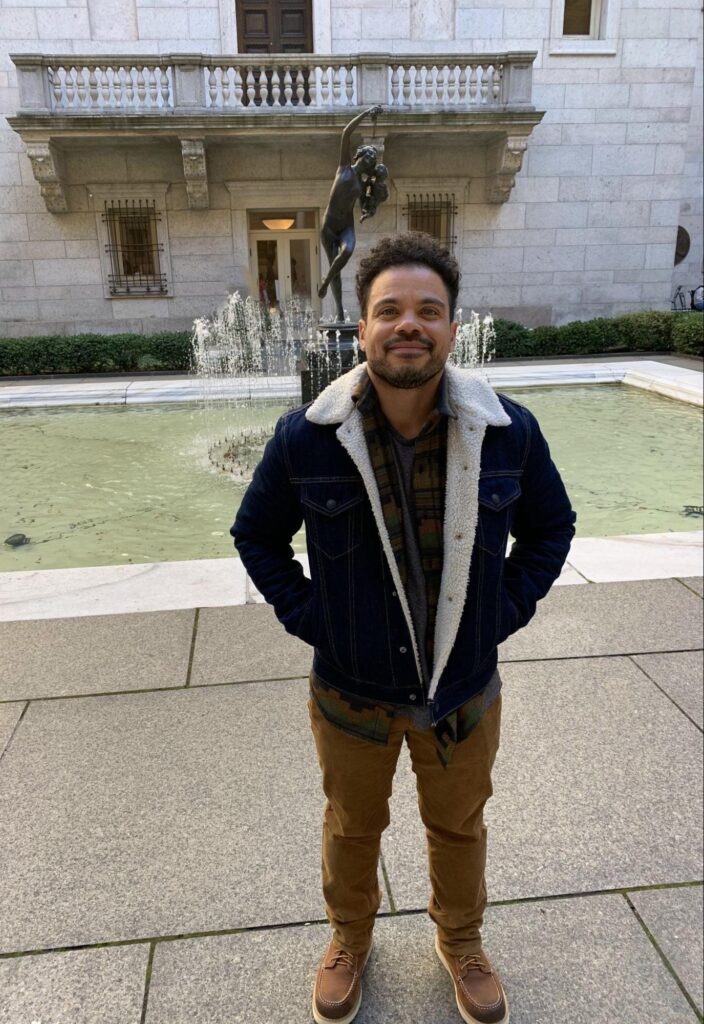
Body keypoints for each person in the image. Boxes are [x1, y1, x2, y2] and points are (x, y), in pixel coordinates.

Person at [231, 233, 576, 1024]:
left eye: (429, 310)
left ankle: (461, 941)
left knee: (458, 826)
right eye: (390, 310)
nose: (408, 324)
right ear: (363, 330)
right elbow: (256, 536)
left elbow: (552, 529)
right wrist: (317, 619)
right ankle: (349, 939)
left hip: (463, 691)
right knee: (352, 828)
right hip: (351, 691)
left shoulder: (509, 434)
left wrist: (503, 612)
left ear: (453, 328)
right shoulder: (306, 438)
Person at [317, 105, 386, 322]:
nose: (370, 164)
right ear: (360, 156)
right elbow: (346, 132)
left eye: (373, 163)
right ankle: (338, 314)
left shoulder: (364, 182)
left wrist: (369, 208)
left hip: (346, 226)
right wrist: (366, 114)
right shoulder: (344, 167)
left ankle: (326, 281)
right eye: (369, 159)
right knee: (336, 266)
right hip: (328, 227)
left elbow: (368, 202)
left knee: (347, 252)